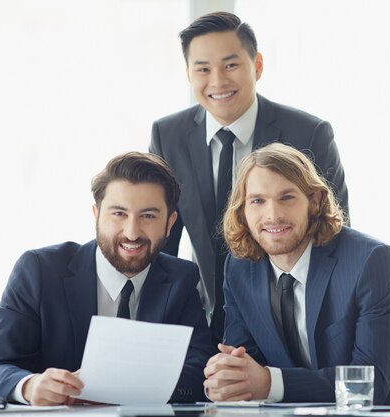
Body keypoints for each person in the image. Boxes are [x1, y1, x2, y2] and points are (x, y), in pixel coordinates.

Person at [149, 12, 349, 343]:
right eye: (203, 69)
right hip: (203, 322)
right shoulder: (168, 135)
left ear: (257, 66)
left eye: (230, 65)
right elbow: (161, 239)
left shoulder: (309, 134)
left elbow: (335, 232)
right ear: (188, 74)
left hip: (289, 322)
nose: (217, 81)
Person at [203, 143, 390, 407]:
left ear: (315, 201)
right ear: (242, 210)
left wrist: (270, 383)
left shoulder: (373, 262)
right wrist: (227, 379)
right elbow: (244, 365)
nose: (272, 215)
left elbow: (369, 388)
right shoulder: (239, 269)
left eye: (287, 197)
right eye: (257, 201)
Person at [0, 152, 214, 405]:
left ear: (170, 223)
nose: (132, 233)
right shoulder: (39, 270)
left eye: (148, 216)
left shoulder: (181, 278)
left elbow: (198, 371)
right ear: (96, 214)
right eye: (118, 214)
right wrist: (29, 386)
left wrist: (116, 387)